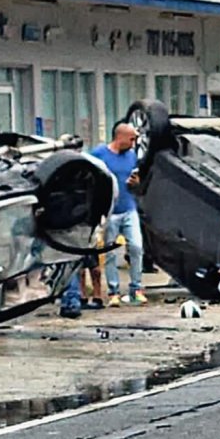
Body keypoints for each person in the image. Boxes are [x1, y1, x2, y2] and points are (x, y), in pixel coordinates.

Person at [92, 122, 147, 307]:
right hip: (110, 211)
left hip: (129, 208)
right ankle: (114, 291)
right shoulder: (99, 155)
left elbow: (139, 184)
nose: (133, 143)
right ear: (120, 137)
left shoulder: (132, 157)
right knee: (109, 252)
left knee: (136, 247)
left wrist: (136, 183)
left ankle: (136, 289)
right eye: (131, 139)